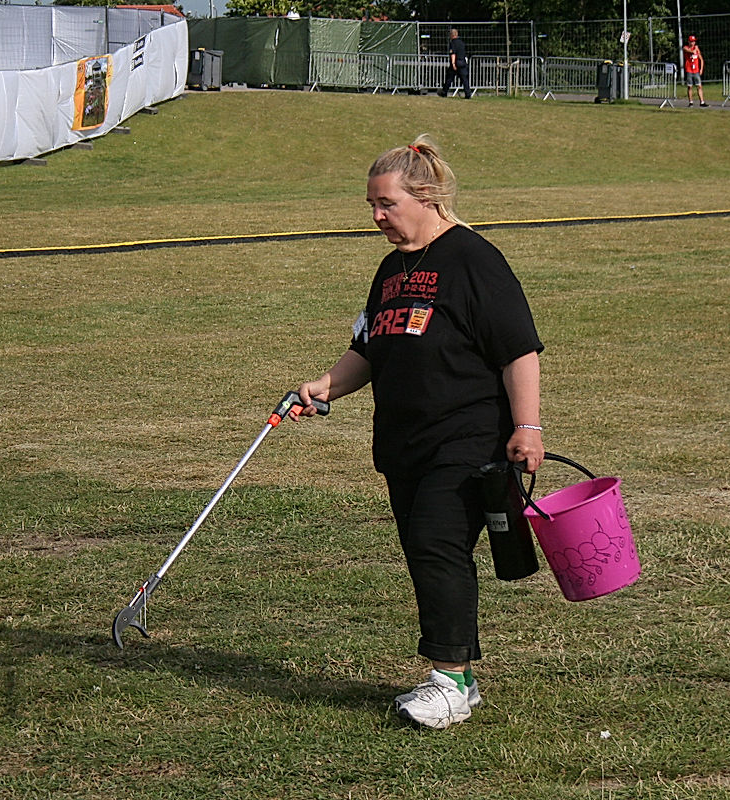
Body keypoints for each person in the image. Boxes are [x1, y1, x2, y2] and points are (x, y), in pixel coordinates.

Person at [296, 134, 544, 730]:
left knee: (437, 544)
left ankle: (450, 682)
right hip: (403, 441)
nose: (378, 217)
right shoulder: (391, 269)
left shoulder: (474, 258)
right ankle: (458, 676)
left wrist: (528, 426)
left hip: (467, 437)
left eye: (387, 204)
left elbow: (519, 351)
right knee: (427, 551)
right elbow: (369, 347)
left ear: (426, 197)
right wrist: (326, 384)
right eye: (372, 207)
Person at [438, 28, 472, 99]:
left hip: (456, 63)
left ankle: (444, 92)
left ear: (452, 35)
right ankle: (468, 94)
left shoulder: (452, 43)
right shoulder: (462, 43)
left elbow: (453, 53)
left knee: (449, 78)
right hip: (462, 62)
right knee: (464, 79)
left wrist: (453, 63)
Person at [683, 34, 707, 107]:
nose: (693, 43)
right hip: (689, 70)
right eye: (691, 41)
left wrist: (701, 69)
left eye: (694, 41)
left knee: (699, 86)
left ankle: (702, 102)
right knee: (690, 86)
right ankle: (691, 102)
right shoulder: (686, 48)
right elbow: (690, 51)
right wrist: (695, 49)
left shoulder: (697, 49)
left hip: (696, 70)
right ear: (688, 42)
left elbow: (701, 59)